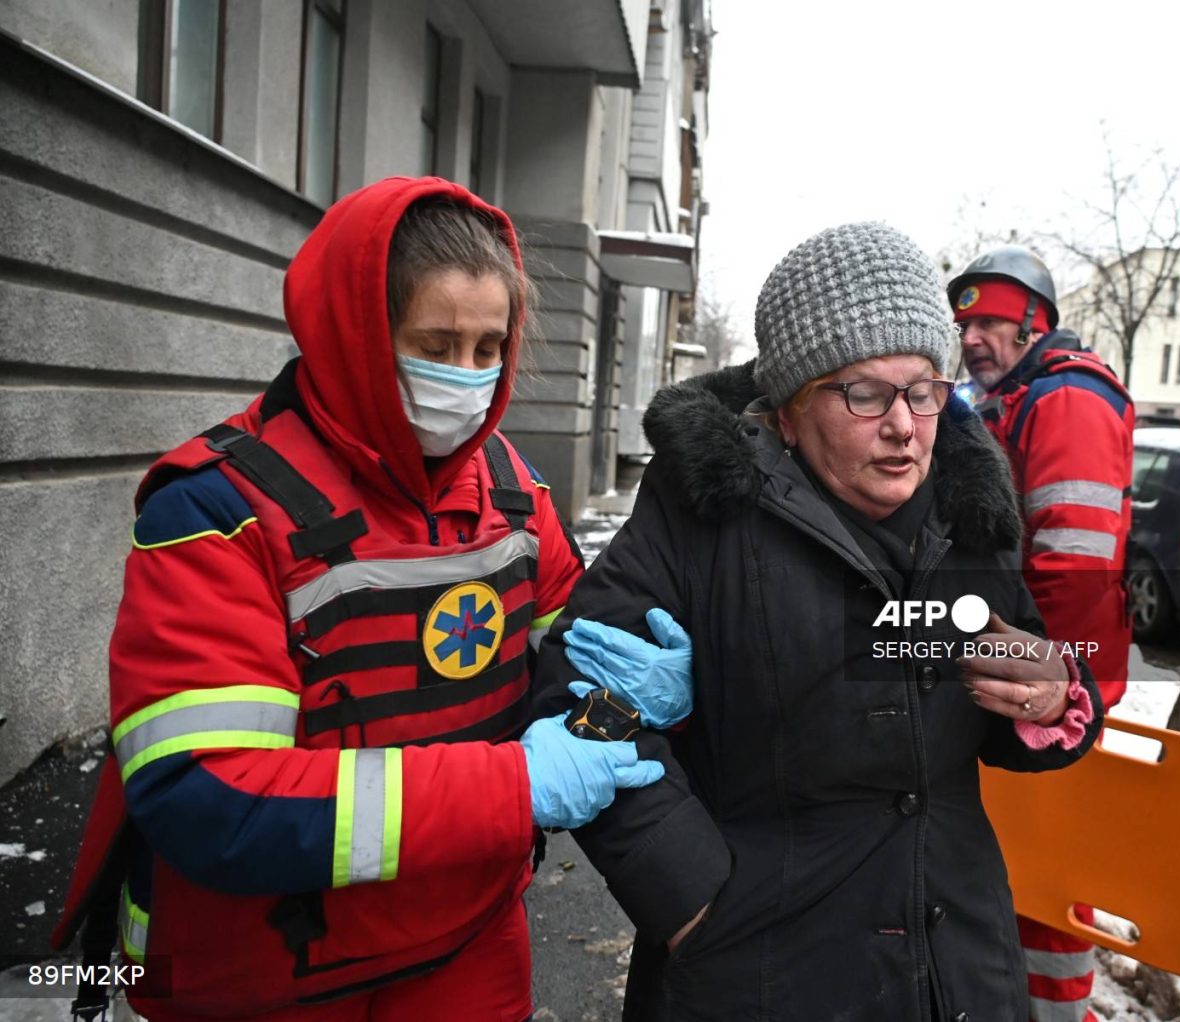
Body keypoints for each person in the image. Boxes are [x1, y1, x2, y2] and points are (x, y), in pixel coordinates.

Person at [52, 177, 685, 1021]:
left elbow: (567, 650)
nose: (466, 378)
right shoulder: (216, 510)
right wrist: (514, 788)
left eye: (488, 346)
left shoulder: (511, 491)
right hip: (266, 973)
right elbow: (214, 799)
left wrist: (634, 682)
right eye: (436, 342)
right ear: (357, 335)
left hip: (467, 945)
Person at [530, 222, 1105, 1021]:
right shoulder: (703, 512)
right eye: (865, 394)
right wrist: (695, 903)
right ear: (790, 410)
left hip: (957, 971)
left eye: (924, 389)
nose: (905, 426)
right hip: (759, 974)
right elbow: (580, 708)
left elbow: (1026, 678)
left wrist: (1049, 696)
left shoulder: (969, 510)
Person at [948, 245, 1135, 1022]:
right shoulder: (1010, 400)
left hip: (1048, 691)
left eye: (991, 321)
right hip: (1023, 680)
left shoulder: (1065, 400)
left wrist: (1051, 692)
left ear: (1034, 324)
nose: (972, 338)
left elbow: (1076, 562)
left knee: (1047, 895)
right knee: (1017, 875)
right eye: (966, 323)